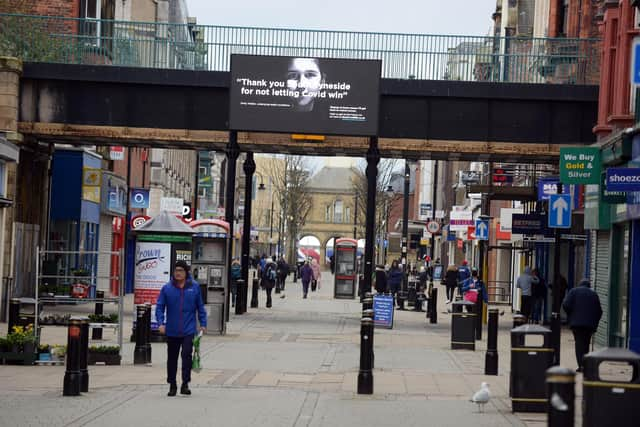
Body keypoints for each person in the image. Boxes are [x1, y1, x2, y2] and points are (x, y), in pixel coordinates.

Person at [156, 260, 207, 397]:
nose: (178, 273)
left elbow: (200, 307)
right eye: (176, 270)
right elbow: (160, 306)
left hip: (189, 329)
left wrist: (203, 323)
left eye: (181, 270)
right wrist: (161, 323)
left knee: (186, 355)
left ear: (186, 272)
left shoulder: (194, 287)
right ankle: (172, 384)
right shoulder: (167, 288)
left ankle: (185, 383)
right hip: (172, 330)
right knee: (172, 358)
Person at [562, 279, 602, 372]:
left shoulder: (574, 291)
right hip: (589, 325)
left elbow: (566, 305)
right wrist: (594, 323)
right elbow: (599, 311)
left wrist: (570, 315)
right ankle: (585, 365)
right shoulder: (594, 294)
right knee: (586, 344)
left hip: (577, 324)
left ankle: (581, 366)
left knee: (579, 344)